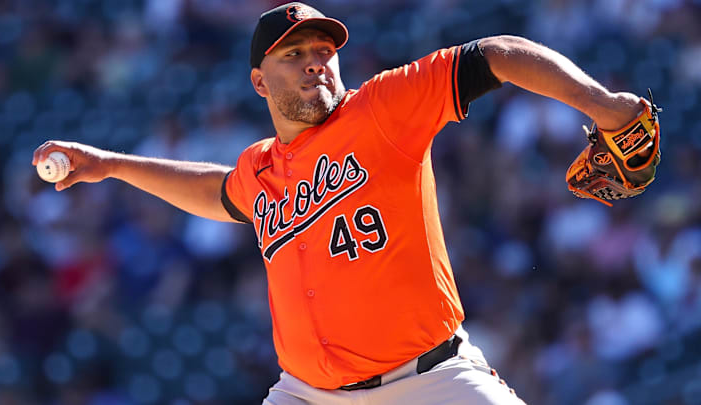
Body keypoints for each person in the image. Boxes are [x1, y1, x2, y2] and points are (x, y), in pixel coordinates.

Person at [33, 3, 650, 404]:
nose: (315, 65)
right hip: (308, 394)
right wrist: (109, 164)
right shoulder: (262, 170)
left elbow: (499, 55)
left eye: (324, 51)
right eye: (294, 55)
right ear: (259, 80)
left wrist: (609, 108)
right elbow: (215, 190)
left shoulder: (382, 108)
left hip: (430, 381)